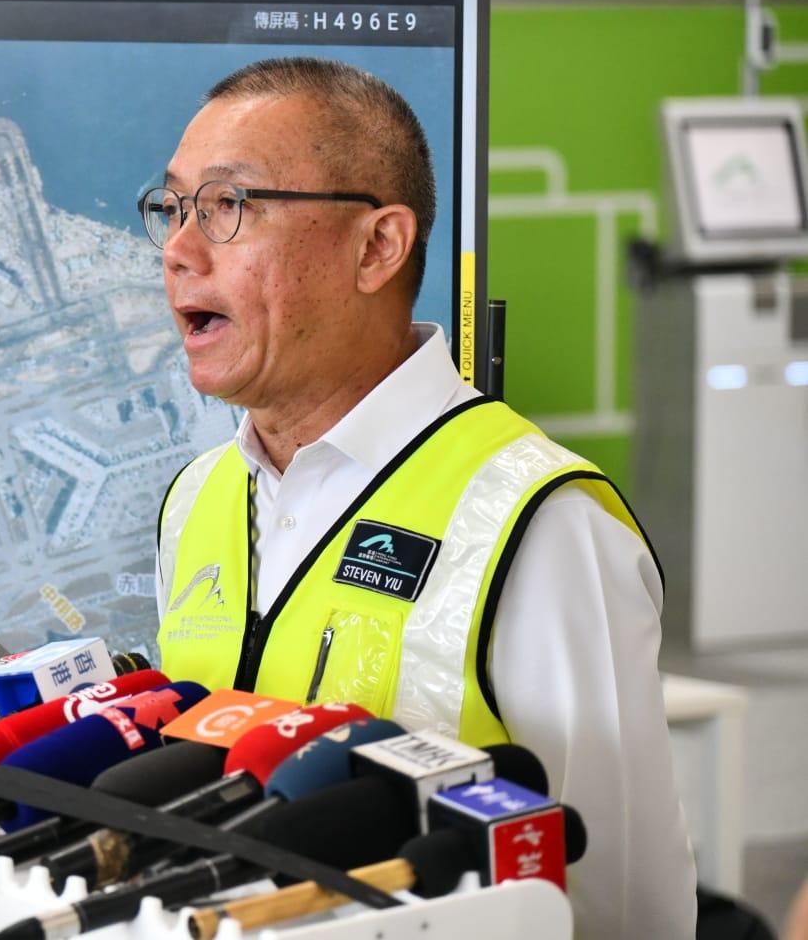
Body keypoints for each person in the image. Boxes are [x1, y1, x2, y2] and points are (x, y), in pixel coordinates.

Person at [147, 57, 696, 937]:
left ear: (378, 246)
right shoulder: (196, 499)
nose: (179, 248)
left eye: (228, 206)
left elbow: (628, 903)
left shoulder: (539, 522)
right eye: (172, 207)